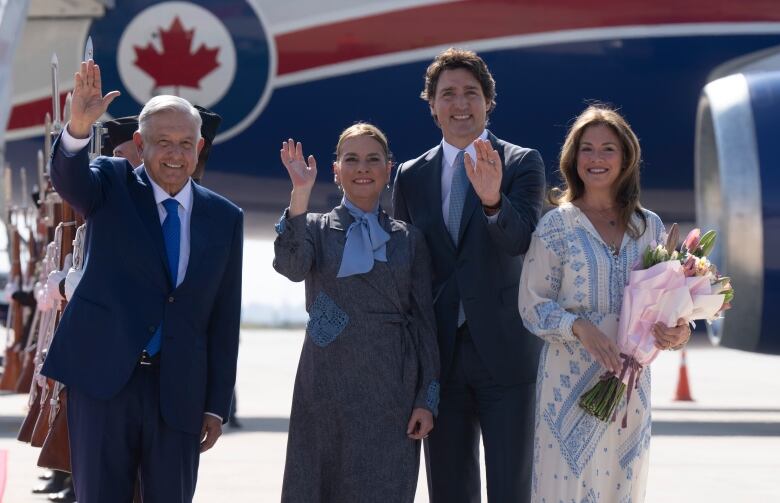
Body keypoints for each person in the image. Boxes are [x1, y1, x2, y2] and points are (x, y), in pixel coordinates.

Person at [40, 59, 243, 502]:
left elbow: (225, 318)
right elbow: (68, 178)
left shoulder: (225, 217)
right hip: (104, 384)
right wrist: (77, 127)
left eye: (185, 143)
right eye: (163, 142)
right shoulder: (112, 186)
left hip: (179, 393)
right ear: (139, 143)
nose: (175, 154)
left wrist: (216, 403)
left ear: (200, 146)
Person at [392, 47, 545, 502]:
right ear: (432, 105)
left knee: (510, 490)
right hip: (441, 363)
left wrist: (494, 201)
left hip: (507, 358)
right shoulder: (409, 176)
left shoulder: (522, 163)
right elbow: (406, 270)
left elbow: (522, 243)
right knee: (449, 491)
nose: (461, 104)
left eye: (471, 93)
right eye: (448, 94)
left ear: (488, 101)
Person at [518, 105, 691, 502]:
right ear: (573, 158)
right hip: (568, 384)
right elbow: (531, 305)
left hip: (630, 387)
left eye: (607, 149)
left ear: (626, 157)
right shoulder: (556, 226)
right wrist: (579, 327)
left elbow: (671, 310)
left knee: (622, 488)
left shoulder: (650, 227)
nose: (596, 159)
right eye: (587, 149)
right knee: (565, 488)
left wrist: (677, 333)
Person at [274, 123, 440, 502]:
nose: (362, 168)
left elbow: (425, 325)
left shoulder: (409, 240)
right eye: (351, 159)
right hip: (325, 388)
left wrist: (427, 399)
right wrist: (300, 194)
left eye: (372, 160)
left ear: (388, 169)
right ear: (336, 170)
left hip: (391, 390)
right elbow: (291, 266)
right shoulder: (314, 228)